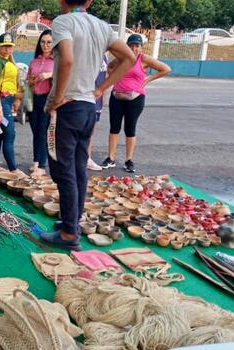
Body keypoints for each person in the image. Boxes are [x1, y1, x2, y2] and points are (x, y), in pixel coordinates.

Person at [41, 0, 136, 251]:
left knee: (64, 170)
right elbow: (129, 57)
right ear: (90, 1)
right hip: (86, 107)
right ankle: (72, 220)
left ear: (61, 1)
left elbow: (68, 60)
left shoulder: (64, 22)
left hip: (68, 106)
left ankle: (70, 233)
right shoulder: (101, 25)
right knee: (78, 167)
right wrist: (101, 89)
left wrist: (58, 97)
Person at [101, 34, 171, 173]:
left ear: (141, 47)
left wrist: (147, 80)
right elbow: (109, 67)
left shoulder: (143, 59)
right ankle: (110, 158)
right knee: (114, 128)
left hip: (135, 98)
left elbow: (166, 69)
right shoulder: (121, 59)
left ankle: (129, 160)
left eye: (136, 46)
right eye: (131, 45)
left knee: (130, 129)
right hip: (117, 96)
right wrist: (115, 79)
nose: (133, 48)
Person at [0, 33, 26, 177]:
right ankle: (13, 169)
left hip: (6, 101)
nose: (7, 49)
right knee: (9, 133)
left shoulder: (6, 60)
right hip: (1, 102)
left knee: (0, 133)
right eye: (4, 46)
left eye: (10, 46)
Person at [27, 30, 54, 177]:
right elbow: (27, 81)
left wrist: (49, 75)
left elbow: (63, 76)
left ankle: (42, 165)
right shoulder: (34, 61)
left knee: (43, 132)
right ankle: (36, 162)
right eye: (43, 42)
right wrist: (30, 81)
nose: (45, 45)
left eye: (49, 42)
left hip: (47, 99)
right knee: (36, 132)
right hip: (33, 98)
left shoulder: (56, 61)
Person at [87, 53, 109, 171]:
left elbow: (104, 76)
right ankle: (81, 157)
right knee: (83, 129)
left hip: (97, 97)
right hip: (87, 95)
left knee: (92, 129)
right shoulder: (89, 52)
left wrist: (103, 93)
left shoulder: (105, 55)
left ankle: (87, 157)